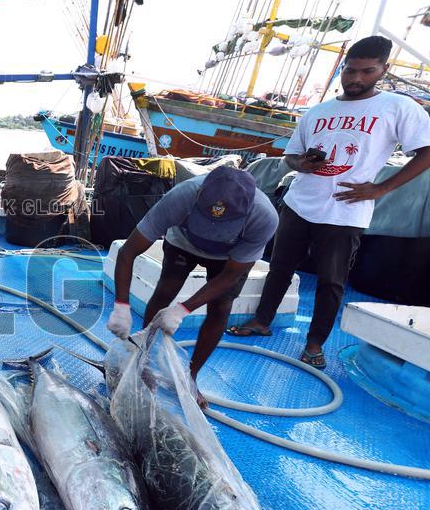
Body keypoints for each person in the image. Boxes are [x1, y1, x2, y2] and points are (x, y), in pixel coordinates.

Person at [228, 36, 430, 368]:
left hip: (346, 211)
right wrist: (301, 164)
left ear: (384, 69)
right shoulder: (319, 111)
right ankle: (261, 321)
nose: (356, 79)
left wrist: (381, 189)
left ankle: (314, 344)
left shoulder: (398, 107)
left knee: (331, 281)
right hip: (298, 203)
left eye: (367, 71)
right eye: (350, 71)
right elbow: (291, 157)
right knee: (278, 268)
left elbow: (426, 152)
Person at [108, 168, 278, 408]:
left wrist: (182, 310)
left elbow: (231, 275)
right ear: (199, 196)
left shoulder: (265, 217)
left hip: (229, 256)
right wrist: (122, 306)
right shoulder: (180, 196)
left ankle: (191, 376)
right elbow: (128, 252)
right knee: (166, 289)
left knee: (221, 306)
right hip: (184, 242)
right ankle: (143, 361)